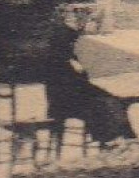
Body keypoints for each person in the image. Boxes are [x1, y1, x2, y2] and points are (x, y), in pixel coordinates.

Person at [41, 10, 133, 145]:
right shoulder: (57, 63)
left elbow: (83, 84)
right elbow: (75, 87)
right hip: (64, 105)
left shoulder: (69, 59)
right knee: (103, 105)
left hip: (75, 100)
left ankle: (123, 139)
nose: (73, 46)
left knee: (111, 101)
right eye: (70, 44)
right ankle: (112, 141)